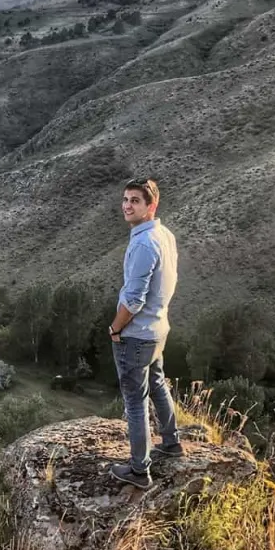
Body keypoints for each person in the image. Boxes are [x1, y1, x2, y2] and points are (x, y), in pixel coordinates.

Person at [108, 177, 183, 489]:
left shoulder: (142, 243)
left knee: (135, 402)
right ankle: (171, 442)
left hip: (137, 334)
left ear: (152, 205)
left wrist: (115, 328)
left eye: (135, 200)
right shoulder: (164, 235)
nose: (127, 206)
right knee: (157, 383)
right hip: (158, 328)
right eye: (125, 199)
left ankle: (139, 470)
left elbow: (134, 299)